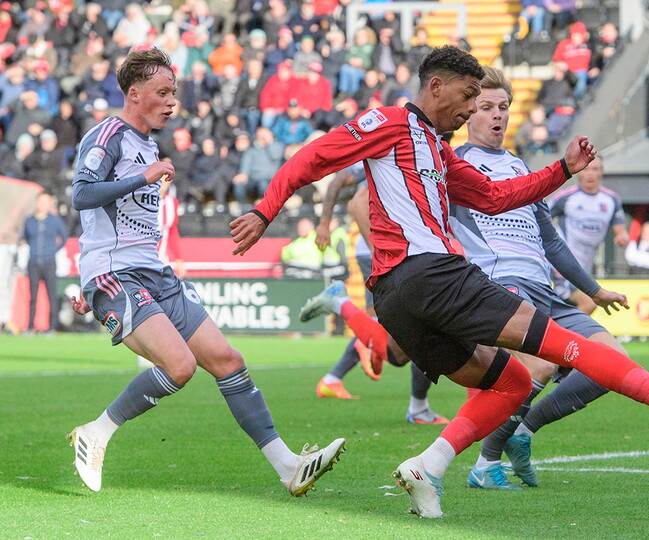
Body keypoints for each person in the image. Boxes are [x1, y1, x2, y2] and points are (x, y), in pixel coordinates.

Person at [230, 45, 649, 518]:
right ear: (434, 86)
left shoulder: (438, 152)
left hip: (395, 298)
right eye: (466, 97)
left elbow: (493, 197)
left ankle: (428, 466)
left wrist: (562, 170)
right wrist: (264, 209)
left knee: (509, 383)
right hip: (433, 273)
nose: (469, 109)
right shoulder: (391, 123)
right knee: (565, 346)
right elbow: (313, 157)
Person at [66, 47, 345, 496]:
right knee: (179, 366)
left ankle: (288, 467)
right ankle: (96, 432)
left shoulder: (147, 144)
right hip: (115, 273)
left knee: (228, 360)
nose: (173, 100)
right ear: (134, 94)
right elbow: (81, 195)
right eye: (163, 92)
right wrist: (143, 178)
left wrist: (148, 173)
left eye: (174, 91)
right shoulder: (108, 135)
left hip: (155, 273)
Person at [451, 66, 632, 490]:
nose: (497, 116)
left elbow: (551, 242)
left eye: (504, 107)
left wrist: (594, 290)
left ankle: (524, 429)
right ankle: (485, 464)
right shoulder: (454, 164)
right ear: (467, 113)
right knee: (542, 362)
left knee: (612, 362)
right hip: (499, 285)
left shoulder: (518, 166)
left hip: (545, 291)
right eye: (486, 107)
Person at [309, 162, 449, 424]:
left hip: (396, 252)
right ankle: (355, 334)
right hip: (385, 252)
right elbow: (355, 198)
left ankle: (338, 372)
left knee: (400, 329)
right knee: (414, 328)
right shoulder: (391, 149)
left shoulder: (423, 154)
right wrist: (377, 253)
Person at [549, 155, 629, 314]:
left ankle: (556, 335)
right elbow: (540, 218)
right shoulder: (566, 197)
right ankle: (563, 338)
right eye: (586, 169)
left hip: (584, 268)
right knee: (589, 303)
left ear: (601, 173)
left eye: (595, 169)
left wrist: (623, 237)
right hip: (561, 265)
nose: (590, 174)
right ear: (578, 171)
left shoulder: (611, 200)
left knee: (564, 310)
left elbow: (621, 230)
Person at [22, 192, 67, 334]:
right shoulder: (29, 220)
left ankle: (52, 327)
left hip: (49, 261)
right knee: (33, 296)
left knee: (51, 295)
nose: (42, 205)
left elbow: (64, 237)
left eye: (46, 202)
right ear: (36, 203)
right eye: (40, 202)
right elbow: (26, 237)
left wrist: (53, 250)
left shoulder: (55, 220)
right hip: (33, 261)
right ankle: (30, 327)